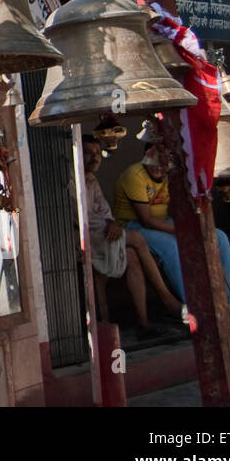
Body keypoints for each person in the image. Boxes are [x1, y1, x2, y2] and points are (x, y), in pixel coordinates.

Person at [114, 142, 230, 315]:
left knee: (218, 236)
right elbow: (147, 220)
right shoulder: (134, 175)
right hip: (133, 225)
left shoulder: (171, 173)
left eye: (163, 163)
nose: (158, 168)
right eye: (153, 162)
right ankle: (195, 305)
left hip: (163, 221)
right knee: (172, 247)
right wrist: (184, 231)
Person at [81, 136, 182, 336]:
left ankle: (143, 322)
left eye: (96, 153)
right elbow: (81, 217)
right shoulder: (73, 180)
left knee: (133, 256)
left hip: (102, 233)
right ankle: (168, 299)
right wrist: (108, 225)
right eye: (88, 153)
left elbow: (104, 210)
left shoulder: (92, 180)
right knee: (137, 238)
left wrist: (110, 223)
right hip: (85, 237)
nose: (94, 158)